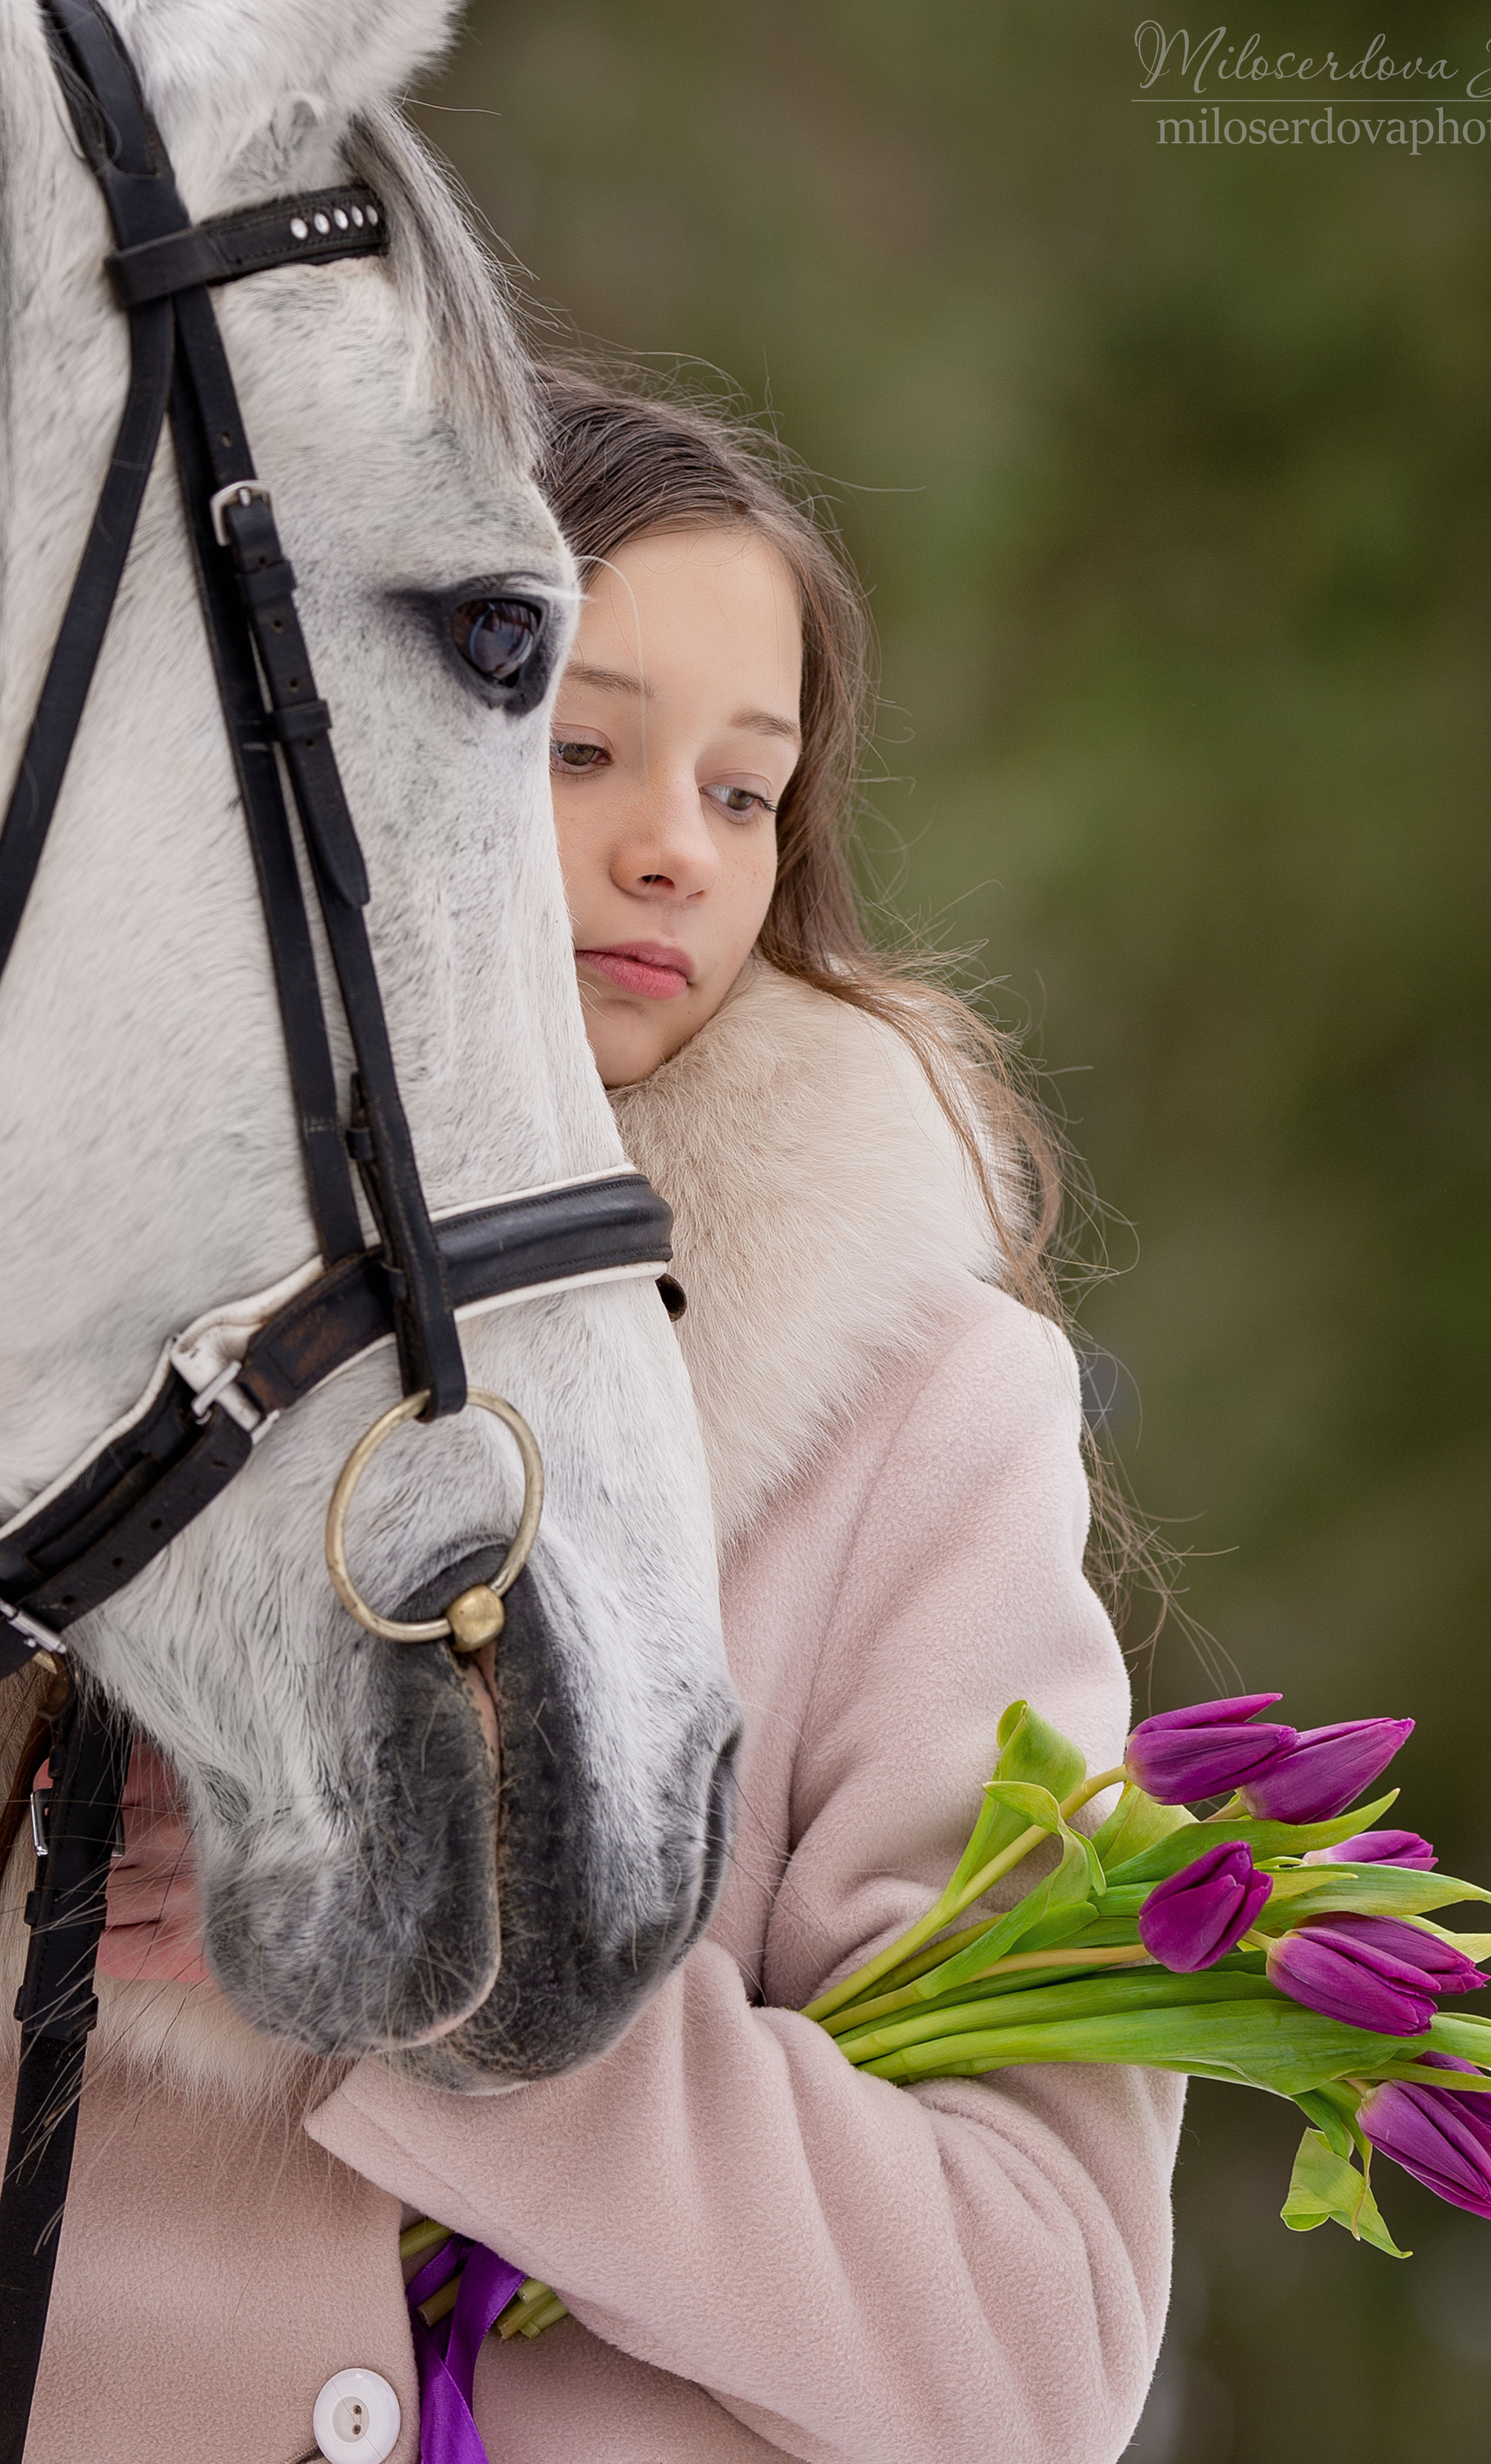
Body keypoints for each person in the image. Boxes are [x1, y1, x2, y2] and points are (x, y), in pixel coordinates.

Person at [0, 375, 1181, 2464]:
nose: (673, 847)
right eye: (580, 748)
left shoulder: (916, 1408)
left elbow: (1034, 2353)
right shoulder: (65, 1324)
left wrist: (483, 2002)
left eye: (749, 791)